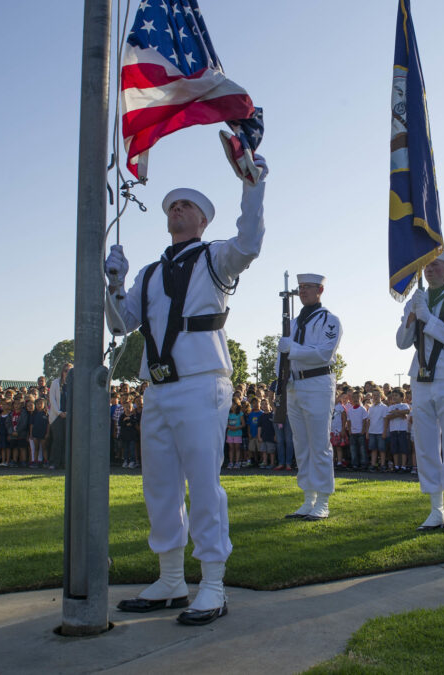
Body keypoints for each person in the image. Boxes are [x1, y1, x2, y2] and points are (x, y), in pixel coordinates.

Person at [104, 153, 267, 626]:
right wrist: (113, 284)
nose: (175, 210)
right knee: (160, 486)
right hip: (156, 388)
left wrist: (253, 186)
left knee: (204, 484)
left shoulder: (215, 258)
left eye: (184, 206)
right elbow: (121, 324)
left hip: (201, 384)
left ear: (201, 218)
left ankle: (212, 584)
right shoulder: (150, 274)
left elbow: (250, 243)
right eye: (170, 206)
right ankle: (171, 578)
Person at [395, 251, 444, 533]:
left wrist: (429, 319)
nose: (429, 269)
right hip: (420, 376)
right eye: (426, 265)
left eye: (435, 265)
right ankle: (435, 509)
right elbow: (402, 343)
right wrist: (412, 317)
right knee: (426, 445)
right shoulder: (418, 298)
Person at [279, 273, 342, 520]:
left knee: (319, 445)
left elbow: (324, 353)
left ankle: (323, 501)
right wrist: (280, 381)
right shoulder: (293, 323)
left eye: (308, 287)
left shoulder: (330, 320)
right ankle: (308, 498)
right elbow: (281, 358)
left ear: (320, 291)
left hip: (317, 382)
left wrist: (292, 349)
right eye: (300, 287)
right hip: (294, 385)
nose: (302, 291)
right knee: (301, 445)